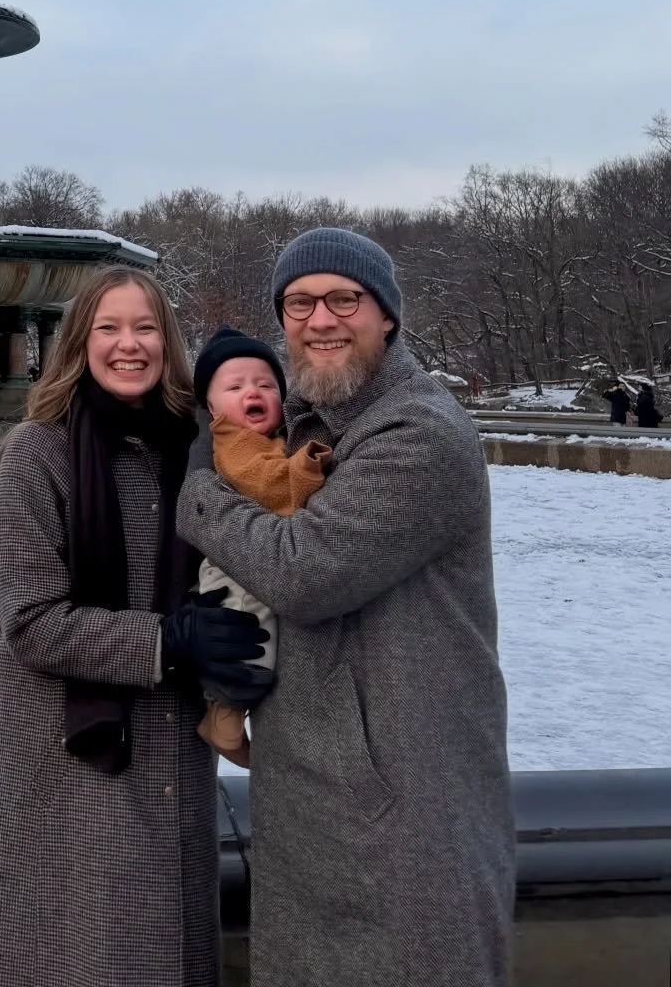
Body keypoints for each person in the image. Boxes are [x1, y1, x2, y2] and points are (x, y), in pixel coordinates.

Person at [179, 228, 515, 987]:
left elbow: (305, 573)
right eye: (299, 303)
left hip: (405, 804)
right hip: (320, 792)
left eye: (343, 299)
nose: (320, 320)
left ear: (387, 315)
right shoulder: (310, 420)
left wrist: (200, 490)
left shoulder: (418, 431)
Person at [0, 267, 267, 987]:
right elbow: (33, 623)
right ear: (80, 342)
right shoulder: (37, 454)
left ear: (167, 343)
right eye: (109, 328)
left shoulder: (197, 453)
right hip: (72, 760)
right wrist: (170, 642)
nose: (128, 345)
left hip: (176, 755)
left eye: (144, 328)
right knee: (82, 956)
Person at [190, 326, 331, 769]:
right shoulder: (232, 443)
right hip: (234, 575)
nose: (253, 392)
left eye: (266, 385)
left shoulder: (268, 439)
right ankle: (224, 716)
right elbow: (271, 489)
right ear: (212, 407)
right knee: (251, 642)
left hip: (252, 557)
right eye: (235, 387)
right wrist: (308, 467)